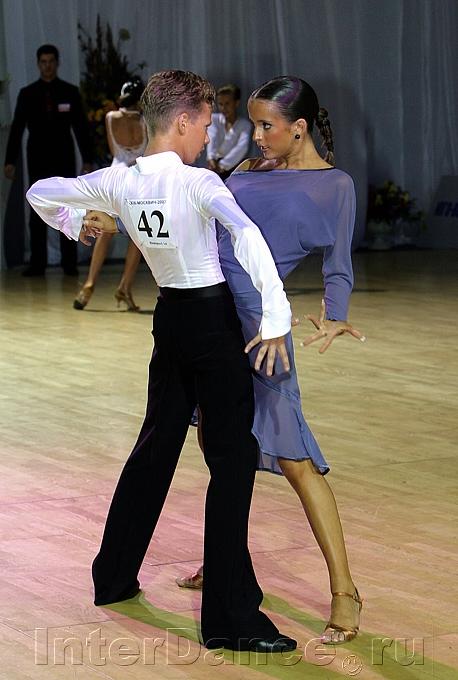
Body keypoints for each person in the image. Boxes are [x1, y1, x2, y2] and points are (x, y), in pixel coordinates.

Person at [26, 70, 297, 653]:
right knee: (232, 461)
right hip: (211, 324)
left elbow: (40, 191)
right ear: (183, 121)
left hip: (170, 320)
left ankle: (113, 576)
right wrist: (277, 316)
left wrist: (75, 222)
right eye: (204, 125)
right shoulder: (199, 182)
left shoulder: (120, 180)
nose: (207, 135)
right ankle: (229, 620)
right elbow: (247, 237)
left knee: (156, 446)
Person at [173, 76, 365, 645]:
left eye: (266, 126)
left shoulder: (334, 185)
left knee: (295, 458)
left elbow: (338, 263)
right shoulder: (247, 171)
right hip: (212, 316)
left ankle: (345, 591)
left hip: (263, 331)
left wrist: (335, 314)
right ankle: (227, 563)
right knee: (220, 448)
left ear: (298, 128)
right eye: (254, 125)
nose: (256, 136)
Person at [4, 44, 93, 276]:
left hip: (64, 157)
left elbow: (81, 127)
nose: (47, 66)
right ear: (38, 64)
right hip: (37, 158)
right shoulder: (27, 94)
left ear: (57, 63)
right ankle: (38, 263)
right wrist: (9, 160)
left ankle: (69, 262)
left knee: (67, 207)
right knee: (37, 208)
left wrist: (88, 158)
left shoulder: (69, 92)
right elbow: (17, 129)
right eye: (43, 62)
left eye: (51, 61)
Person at [74, 78, 147, 311]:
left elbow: (114, 150)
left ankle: (89, 285)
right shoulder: (146, 120)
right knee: (137, 236)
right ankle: (124, 287)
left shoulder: (111, 117)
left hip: (115, 179)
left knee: (104, 233)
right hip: (138, 180)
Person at [206, 84, 251, 180]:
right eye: (220, 104)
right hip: (214, 165)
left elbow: (241, 148)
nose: (224, 108)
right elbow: (212, 138)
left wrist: (223, 165)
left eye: (227, 104)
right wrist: (211, 158)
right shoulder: (214, 119)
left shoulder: (244, 125)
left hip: (236, 166)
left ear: (236, 103)